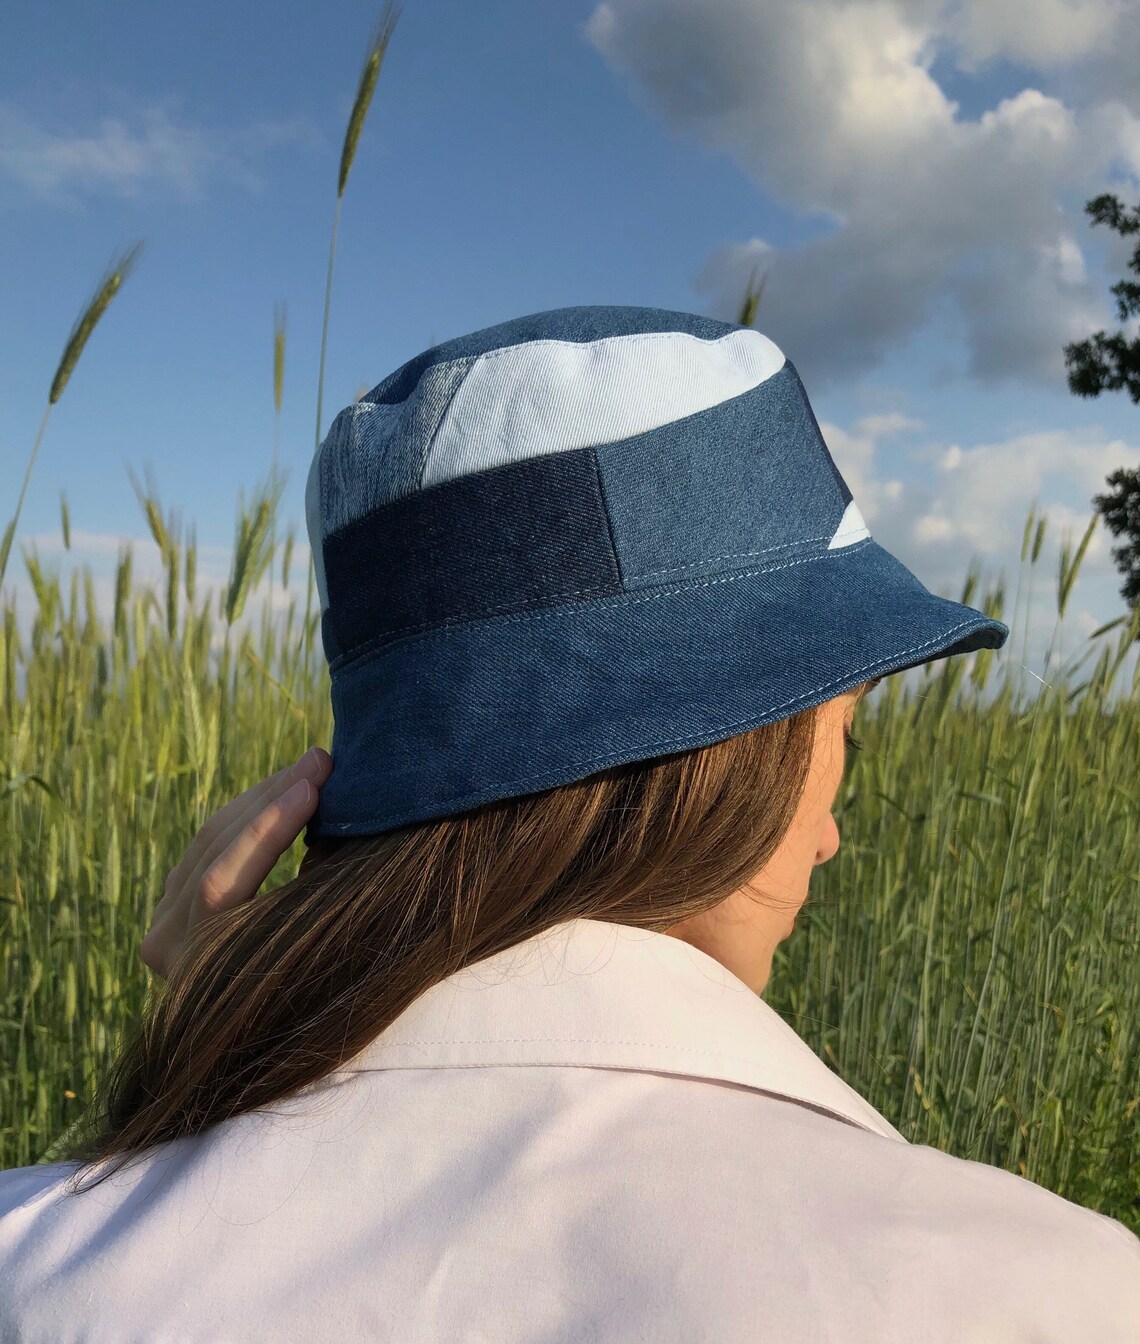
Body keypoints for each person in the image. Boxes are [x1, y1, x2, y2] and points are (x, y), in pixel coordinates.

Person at [2, 305, 1137, 1342]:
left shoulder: (35, 1256)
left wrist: (207, 1079)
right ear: (738, 747)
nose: (833, 835)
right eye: (844, 732)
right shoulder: (1048, 1294)